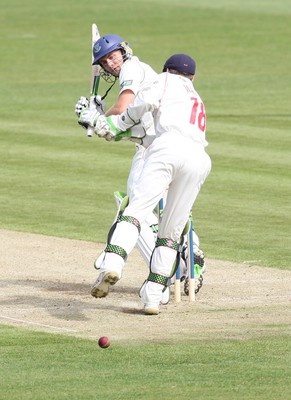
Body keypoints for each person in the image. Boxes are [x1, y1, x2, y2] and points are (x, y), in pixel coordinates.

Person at [79, 53, 212, 315]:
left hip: (167, 149)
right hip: (200, 160)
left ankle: (113, 263)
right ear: (192, 77)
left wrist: (112, 123)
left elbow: (140, 108)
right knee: (171, 232)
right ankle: (152, 297)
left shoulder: (164, 80)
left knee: (136, 211)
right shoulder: (196, 96)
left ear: (166, 70)